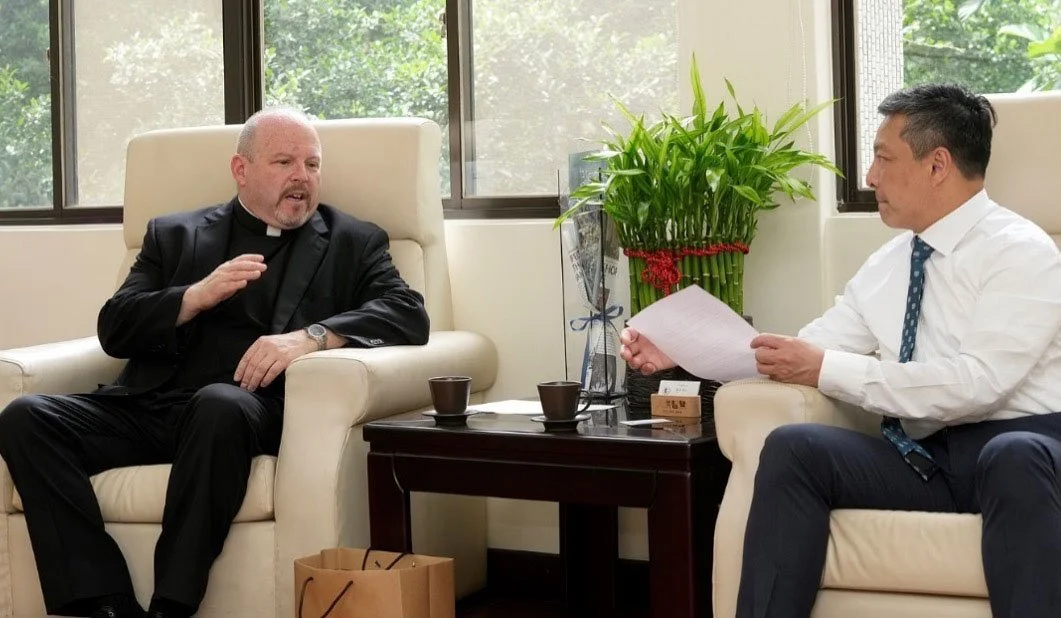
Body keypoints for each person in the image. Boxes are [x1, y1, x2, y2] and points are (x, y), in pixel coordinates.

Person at [620, 83, 1061, 617]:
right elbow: (805, 350)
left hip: (1022, 450)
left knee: (1010, 455)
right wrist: (682, 349)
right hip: (928, 458)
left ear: (937, 164)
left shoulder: (1021, 251)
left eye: (881, 157)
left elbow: (978, 384)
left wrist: (827, 367)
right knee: (794, 446)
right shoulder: (888, 264)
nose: (870, 176)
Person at [0, 107, 430, 618]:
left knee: (217, 405)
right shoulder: (174, 235)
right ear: (241, 170)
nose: (303, 177)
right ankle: (104, 603)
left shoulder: (352, 241)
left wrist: (311, 337)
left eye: (313, 164)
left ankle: (170, 607)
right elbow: (115, 327)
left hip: (245, 411)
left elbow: (408, 314)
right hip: (150, 404)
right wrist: (192, 297)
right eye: (285, 162)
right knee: (25, 419)